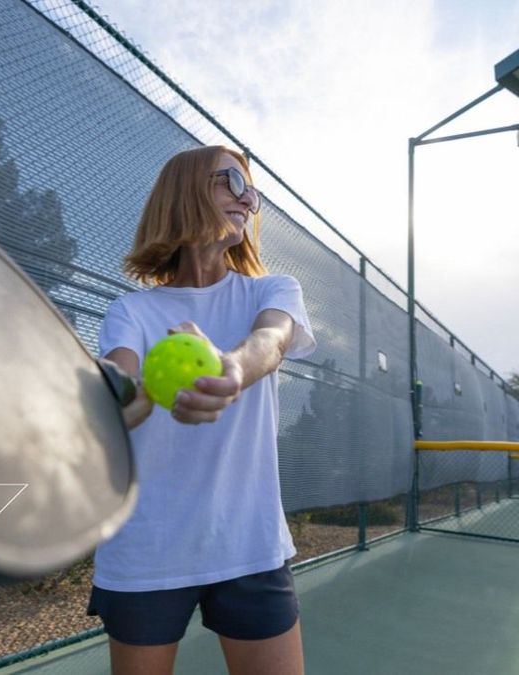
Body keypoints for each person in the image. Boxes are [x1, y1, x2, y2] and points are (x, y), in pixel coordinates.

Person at [90, 145, 316, 675]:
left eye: (251, 191)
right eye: (231, 182)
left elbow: (271, 341)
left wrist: (232, 369)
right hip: (145, 550)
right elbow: (120, 387)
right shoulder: (131, 310)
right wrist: (126, 398)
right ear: (185, 191)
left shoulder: (274, 289)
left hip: (250, 544)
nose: (247, 199)